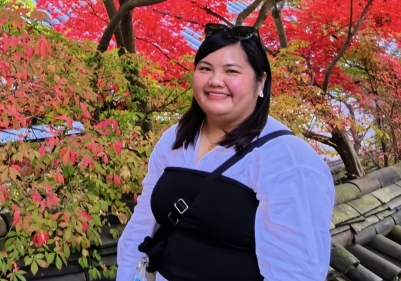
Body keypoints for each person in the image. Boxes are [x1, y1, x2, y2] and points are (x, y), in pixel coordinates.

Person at [116, 23, 335, 281]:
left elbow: (295, 273)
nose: (215, 81)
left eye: (231, 71)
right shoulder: (175, 139)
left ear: (261, 81)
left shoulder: (288, 160)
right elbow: (143, 222)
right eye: (205, 69)